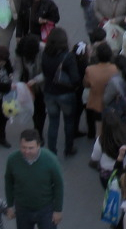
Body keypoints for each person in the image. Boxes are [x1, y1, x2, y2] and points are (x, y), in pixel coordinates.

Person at [4, 129, 64, 228]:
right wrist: (10, 206)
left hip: (46, 209)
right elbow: (9, 183)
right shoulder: (12, 160)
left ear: (38, 145)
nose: (27, 151)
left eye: (31, 148)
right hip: (22, 209)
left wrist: (58, 210)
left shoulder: (51, 160)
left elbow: (59, 185)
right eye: (23, 147)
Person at [40, 28, 80, 156]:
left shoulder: (45, 54)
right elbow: (75, 78)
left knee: (53, 122)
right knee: (69, 121)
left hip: (49, 92)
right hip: (66, 93)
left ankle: (52, 152)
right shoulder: (68, 57)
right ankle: (69, 148)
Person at [83, 42, 118, 138]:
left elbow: (86, 84)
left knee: (99, 130)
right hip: (112, 102)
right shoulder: (115, 69)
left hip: (97, 102)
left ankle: (99, 145)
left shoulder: (90, 69)